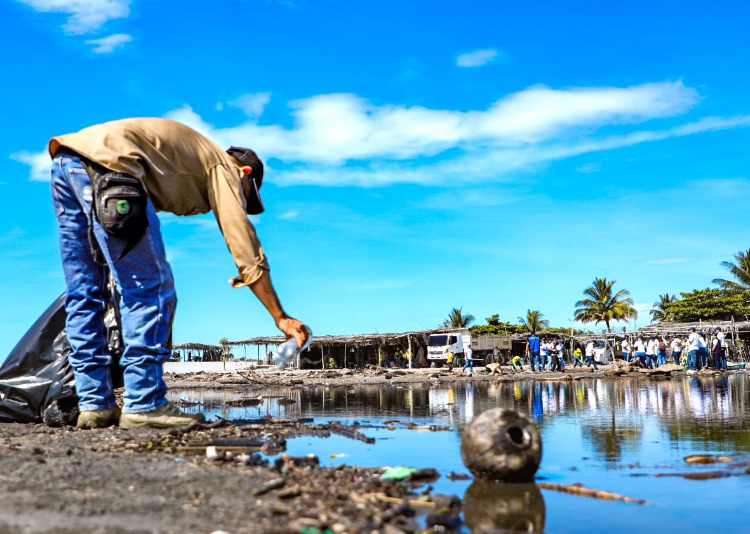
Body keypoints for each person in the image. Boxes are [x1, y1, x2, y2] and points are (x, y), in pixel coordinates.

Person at [48, 118, 309, 429]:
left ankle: (94, 404)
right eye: (244, 195)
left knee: (86, 293)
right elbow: (243, 243)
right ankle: (145, 403)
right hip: (111, 168)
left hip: (66, 162)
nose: (239, 201)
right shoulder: (224, 167)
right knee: (150, 288)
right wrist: (280, 316)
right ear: (246, 173)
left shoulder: (186, 156)